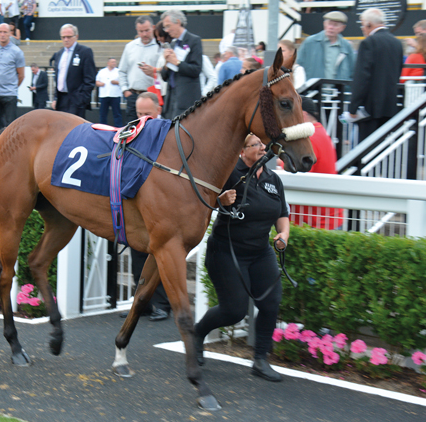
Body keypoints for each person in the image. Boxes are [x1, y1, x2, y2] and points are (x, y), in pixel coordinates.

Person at [194, 133, 290, 382]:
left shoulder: (272, 179)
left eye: (262, 144)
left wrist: (284, 234)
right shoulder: (227, 173)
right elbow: (202, 202)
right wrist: (220, 200)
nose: (261, 147)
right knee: (234, 311)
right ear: (241, 151)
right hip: (227, 250)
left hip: (260, 252)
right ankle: (197, 334)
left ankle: (260, 360)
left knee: (271, 303)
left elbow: (282, 212)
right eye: (254, 144)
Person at [126, 91, 172, 322]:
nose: (142, 118)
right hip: (137, 204)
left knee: (159, 257)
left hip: (162, 208)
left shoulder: (170, 134)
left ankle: (162, 304)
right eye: (138, 114)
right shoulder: (131, 133)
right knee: (137, 257)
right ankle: (141, 303)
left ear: (158, 112)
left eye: (147, 114)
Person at [289, 97, 343, 230]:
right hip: (327, 217)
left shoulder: (309, 139)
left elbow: (299, 178)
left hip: (315, 223)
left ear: (302, 115)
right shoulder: (320, 131)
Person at [350, 8, 403, 143]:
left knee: (366, 149)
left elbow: (362, 77)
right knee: (383, 149)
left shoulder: (368, 43)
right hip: (390, 105)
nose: (362, 28)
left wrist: (353, 106)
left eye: (362, 25)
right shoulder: (397, 43)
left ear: (369, 24)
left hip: (370, 108)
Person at [160, 9, 203, 120]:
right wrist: (166, 63)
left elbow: (196, 70)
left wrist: (177, 63)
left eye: (168, 26)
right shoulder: (172, 44)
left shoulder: (194, 41)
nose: (166, 30)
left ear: (178, 22)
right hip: (171, 100)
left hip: (186, 99)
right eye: (165, 27)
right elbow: (165, 77)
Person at [0, 23, 25, 139]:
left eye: (5, 32)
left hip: (10, 94)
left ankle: (9, 155)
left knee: (10, 127)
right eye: (0, 32)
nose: (2, 35)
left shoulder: (17, 52)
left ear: (10, 34)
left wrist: (12, 87)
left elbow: (21, 75)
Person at [118, 15, 159, 122]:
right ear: (137, 30)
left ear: (153, 28)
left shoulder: (160, 47)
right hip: (134, 96)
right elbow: (122, 70)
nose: (144, 34)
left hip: (153, 96)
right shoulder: (130, 47)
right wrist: (125, 90)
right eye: (141, 31)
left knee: (153, 128)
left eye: (147, 30)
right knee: (132, 129)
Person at [52, 24, 96, 118]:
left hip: (76, 100)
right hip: (61, 99)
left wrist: (82, 99)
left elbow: (90, 78)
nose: (66, 39)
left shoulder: (84, 52)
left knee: (75, 129)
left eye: (69, 37)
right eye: (63, 37)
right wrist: (55, 98)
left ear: (76, 36)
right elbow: (58, 77)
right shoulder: (59, 54)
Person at [297, 11, 355, 82]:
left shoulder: (346, 46)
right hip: (314, 90)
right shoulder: (310, 42)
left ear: (342, 28)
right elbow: (298, 67)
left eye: (335, 25)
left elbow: (353, 71)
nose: (331, 27)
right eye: (329, 24)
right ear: (324, 24)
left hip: (338, 90)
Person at [96, 57, 122, 127]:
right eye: (112, 62)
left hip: (115, 95)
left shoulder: (118, 71)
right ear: (108, 63)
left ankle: (118, 127)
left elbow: (123, 82)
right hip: (104, 95)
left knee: (117, 113)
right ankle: (103, 126)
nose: (114, 63)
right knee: (103, 113)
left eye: (115, 62)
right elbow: (97, 82)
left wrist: (116, 82)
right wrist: (100, 84)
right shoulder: (102, 71)